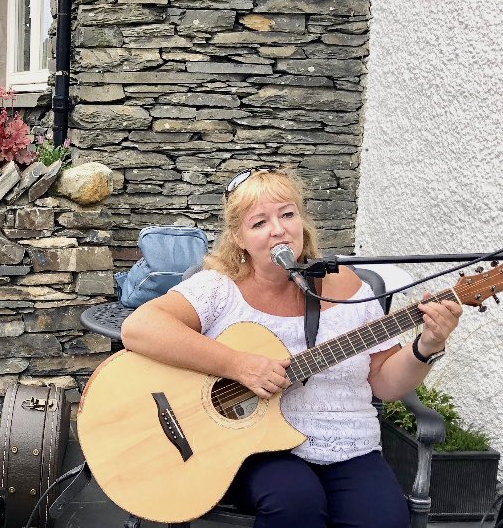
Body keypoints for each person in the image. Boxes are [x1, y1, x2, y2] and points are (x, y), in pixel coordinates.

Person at [120, 167, 462, 528]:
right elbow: (140, 327)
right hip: (260, 446)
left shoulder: (348, 286)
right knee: (295, 506)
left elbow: (384, 384)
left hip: (350, 445)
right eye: (260, 222)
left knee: (384, 520)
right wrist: (238, 365)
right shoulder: (219, 287)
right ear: (238, 236)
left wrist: (427, 344)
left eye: (287, 214)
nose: (279, 229)